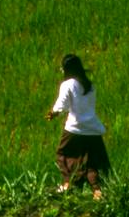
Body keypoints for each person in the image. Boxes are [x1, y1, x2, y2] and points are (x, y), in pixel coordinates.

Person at [47, 53, 111, 195]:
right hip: (93, 128)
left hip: (74, 128)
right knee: (92, 161)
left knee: (63, 154)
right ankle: (97, 190)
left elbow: (62, 105)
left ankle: (68, 183)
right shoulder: (90, 85)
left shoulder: (68, 84)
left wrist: (53, 113)